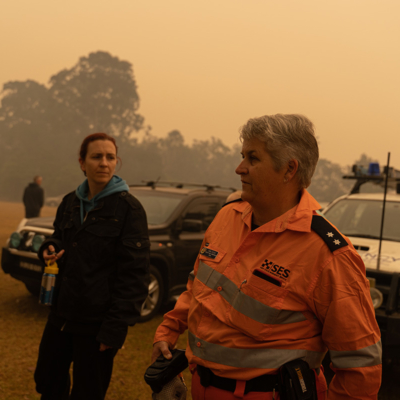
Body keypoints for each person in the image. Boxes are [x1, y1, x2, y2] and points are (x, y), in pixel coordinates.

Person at [151, 114, 382, 400]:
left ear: (289, 169)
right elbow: (198, 286)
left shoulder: (327, 254)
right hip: (201, 387)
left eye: (252, 158)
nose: (239, 168)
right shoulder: (228, 216)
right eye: (242, 156)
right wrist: (168, 330)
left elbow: (361, 366)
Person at [34, 133, 150, 400]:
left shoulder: (129, 210)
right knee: (47, 382)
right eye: (96, 156)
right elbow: (58, 238)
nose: (104, 163)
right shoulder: (69, 202)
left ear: (116, 162)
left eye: (110, 157)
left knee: (88, 393)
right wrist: (49, 248)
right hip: (60, 316)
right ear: (82, 162)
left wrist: (114, 329)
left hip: (96, 326)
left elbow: (135, 276)